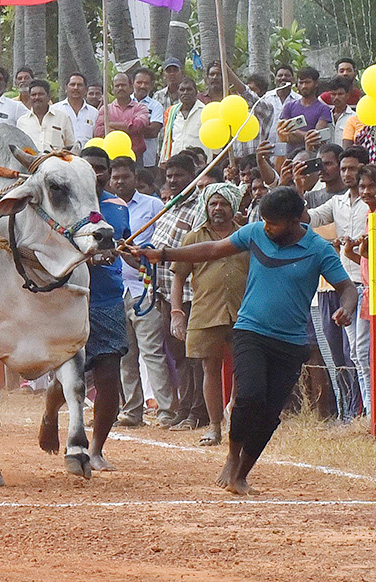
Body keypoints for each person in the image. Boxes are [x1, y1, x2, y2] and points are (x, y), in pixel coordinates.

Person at [133, 187, 356, 494]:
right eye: (264, 221)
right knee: (249, 396)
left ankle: (242, 473)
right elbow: (211, 249)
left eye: (273, 223)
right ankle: (232, 454)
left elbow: (347, 287)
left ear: (293, 221)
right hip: (251, 330)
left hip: (290, 342)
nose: (266, 227)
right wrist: (162, 255)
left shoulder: (318, 249)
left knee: (268, 413)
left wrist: (346, 308)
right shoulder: (254, 233)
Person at [170, 183, 248, 447]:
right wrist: (177, 313)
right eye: (213, 203)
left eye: (224, 203)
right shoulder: (193, 238)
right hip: (205, 312)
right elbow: (178, 278)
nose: (218, 209)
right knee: (209, 369)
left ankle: (235, 412)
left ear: (233, 207)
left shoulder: (246, 236)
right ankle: (215, 427)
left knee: (245, 369)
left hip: (243, 313)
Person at [77, 146, 131, 471]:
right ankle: (48, 414)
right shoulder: (64, 204)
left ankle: (96, 449)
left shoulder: (118, 206)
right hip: (71, 298)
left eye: (101, 168)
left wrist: (139, 251)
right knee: (67, 376)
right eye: (90, 168)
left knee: (109, 374)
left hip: (108, 299)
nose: (97, 174)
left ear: (109, 173)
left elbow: (123, 242)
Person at [308, 146, 372, 417]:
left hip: (364, 284)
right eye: (343, 169)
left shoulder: (370, 205)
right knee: (353, 355)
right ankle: (359, 413)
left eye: (352, 169)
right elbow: (307, 220)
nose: (347, 174)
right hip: (343, 285)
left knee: (360, 352)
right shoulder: (337, 202)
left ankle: (366, 413)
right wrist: (300, 188)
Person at [150, 152, 209, 430]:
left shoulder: (201, 208)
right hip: (164, 294)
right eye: (169, 176)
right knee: (178, 357)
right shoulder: (168, 207)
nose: (173, 180)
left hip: (191, 295)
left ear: (192, 176)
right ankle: (184, 409)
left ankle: (198, 412)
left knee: (195, 355)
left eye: (179, 176)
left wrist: (159, 254)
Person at [109, 157, 169, 426]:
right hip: (114, 290)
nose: (120, 181)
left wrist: (136, 252)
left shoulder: (154, 205)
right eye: (116, 177)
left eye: (125, 176)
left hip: (145, 289)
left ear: (135, 177)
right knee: (125, 354)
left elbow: (161, 245)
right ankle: (132, 411)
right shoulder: (106, 208)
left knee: (152, 352)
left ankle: (167, 410)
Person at [94, 73, 150, 159]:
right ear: (112, 90)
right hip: (111, 157)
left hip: (135, 157)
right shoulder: (105, 109)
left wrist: (110, 125)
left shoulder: (140, 108)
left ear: (131, 88)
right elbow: (99, 132)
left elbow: (138, 126)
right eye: (117, 86)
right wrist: (126, 128)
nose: (120, 88)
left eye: (123, 85)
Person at [17, 79, 75, 152]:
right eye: (33, 95)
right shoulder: (22, 121)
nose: (37, 97)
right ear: (29, 97)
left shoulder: (63, 118)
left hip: (56, 162)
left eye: (41, 94)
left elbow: (71, 147)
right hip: (31, 163)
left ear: (49, 96)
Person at [279, 67, 332, 148]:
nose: (304, 86)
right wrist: (306, 135)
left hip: (312, 156)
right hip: (291, 157)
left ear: (316, 83)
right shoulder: (289, 107)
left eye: (307, 82)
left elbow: (317, 137)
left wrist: (296, 133)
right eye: (301, 83)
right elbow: (284, 135)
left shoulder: (324, 109)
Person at [159, 78, 207, 162]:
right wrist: (164, 160)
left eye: (189, 89)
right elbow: (168, 139)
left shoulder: (205, 111)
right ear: (178, 93)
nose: (185, 92)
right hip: (176, 163)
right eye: (182, 90)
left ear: (196, 92)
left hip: (199, 163)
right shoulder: (172, 112)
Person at [53, 73, 98, 149]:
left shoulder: (94, 113)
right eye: (72, 84)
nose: (76, 88)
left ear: (86, 89)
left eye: (80, 85)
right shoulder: (55, 110)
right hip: (62, 156)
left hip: (86, 157)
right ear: (66, 88)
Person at [132, 69, 165, 168]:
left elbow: (153, 132)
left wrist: (124, 126)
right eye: (139, 82)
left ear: (151, 85)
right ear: (132, 83)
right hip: (126, 159)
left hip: (148, 161)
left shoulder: (156, 106)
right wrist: (141, 126)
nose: (142, 86)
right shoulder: (123, 104)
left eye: (146, 83)